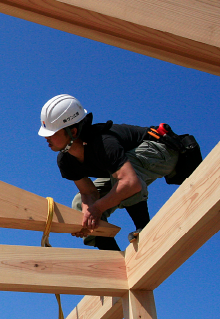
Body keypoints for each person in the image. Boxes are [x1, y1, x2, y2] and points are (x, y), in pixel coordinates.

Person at [39, 94, 178, 251]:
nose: (46, 138)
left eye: (52, 133)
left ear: (73, 131)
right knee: (80, 204)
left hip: (163, 153)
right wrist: (86, 219)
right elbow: (88, 192)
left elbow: (130, 182)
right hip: (130, 170)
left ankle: (144, 227)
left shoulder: (103, 143)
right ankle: (113, 255)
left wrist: (97, 208)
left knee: (124, 179)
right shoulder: (66, 161)